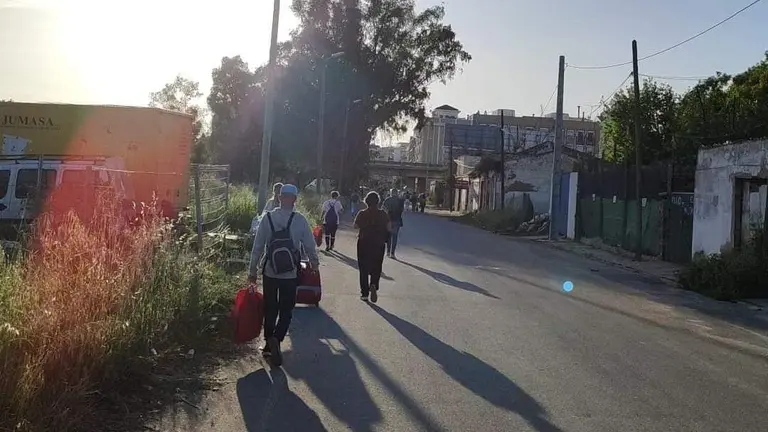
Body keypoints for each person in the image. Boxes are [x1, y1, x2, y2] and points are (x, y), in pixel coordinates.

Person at [248, 184, 319, 366]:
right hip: (290, 273)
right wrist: (314, 264)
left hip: (270, 271)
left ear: (279, 197)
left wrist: (252, 272)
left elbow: (257, 246)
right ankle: (277, 339)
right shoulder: (300, 220)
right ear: (294, 199)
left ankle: (268, 343)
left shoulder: (267, 218)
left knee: (270, 308)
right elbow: (310, 245)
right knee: (286, 309)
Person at [353, 191, 389, 302]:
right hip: (379, 243)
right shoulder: (383, 214)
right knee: (377, 266)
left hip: (364, 242)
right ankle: (373, 284)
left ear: (366, 201)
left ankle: (364, 293)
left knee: (363, 268)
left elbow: (355, 226)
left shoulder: (362, 213)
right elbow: (389, 227)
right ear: (378, 201)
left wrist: (364, 225)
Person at [382, 189, 404, 259]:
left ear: (391, 193)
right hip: (397, 220)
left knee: (389, 236)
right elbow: (402, 210)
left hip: (389, 220)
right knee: (395, 237)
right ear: (397, 193)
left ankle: (388, 252)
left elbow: (383, 209)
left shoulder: (387, 200)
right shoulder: (400, 200)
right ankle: (392, 253)